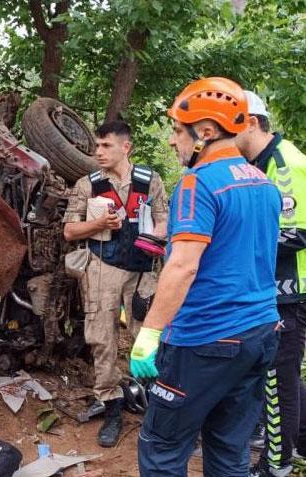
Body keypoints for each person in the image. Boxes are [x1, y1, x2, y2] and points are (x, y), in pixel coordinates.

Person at [130, 77, 281, 475]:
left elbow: (183, 265)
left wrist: (149, 333)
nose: (171, 141)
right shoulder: (263, 183)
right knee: (229, 450)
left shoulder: (198, 184)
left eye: (178, 131)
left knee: (161, 447)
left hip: (205, 339)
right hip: (258, 334)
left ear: (207, 132)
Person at [63, 120, 168, 447]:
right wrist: (99, 223)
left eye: (106, 145)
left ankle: (154, 406)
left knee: (146, 337)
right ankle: (111, 406)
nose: (98, 152)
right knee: (102, 339)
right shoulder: (88, 185)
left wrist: (155, 236)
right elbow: (69, 231)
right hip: (102, 268)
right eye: (96, 146)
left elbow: (165, 219)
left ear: (126, 147)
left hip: (143, 271)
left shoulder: (150, 181)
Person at [235, 91, 306, 477]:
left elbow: (296, 234)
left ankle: (276, 466)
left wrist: (233, 241)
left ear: (250, 122)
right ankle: (299, 441)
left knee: (279, 378)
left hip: (291, 290)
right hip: (273, 289)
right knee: (281, 375)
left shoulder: (282, 163)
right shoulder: (258, 163)